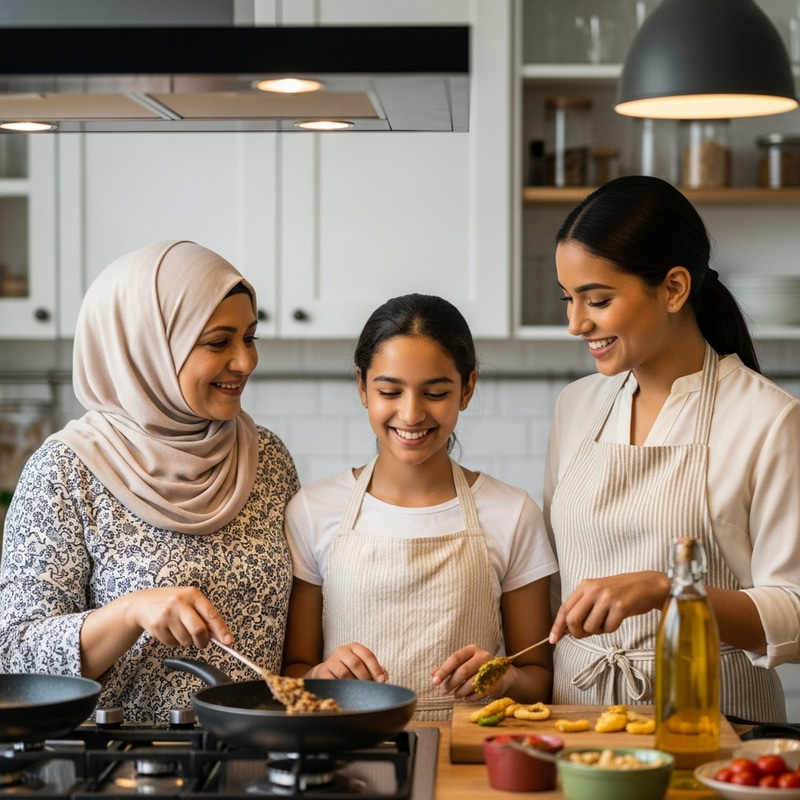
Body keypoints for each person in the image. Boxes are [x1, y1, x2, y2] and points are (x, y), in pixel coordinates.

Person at [0, 240, 299, 723]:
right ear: (147, 346)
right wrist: (129, 612)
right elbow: (14, 659)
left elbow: (292, 641)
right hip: (120, 769)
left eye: (250, 337)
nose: (245, 361)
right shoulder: (65, 470)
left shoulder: (268, 459)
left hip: (258, 758)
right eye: (219, 341)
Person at [545, 175, 800, 723]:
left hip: (716, 724)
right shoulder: (576, 406)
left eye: (598, 299)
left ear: (674, 288)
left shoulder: (769, 418)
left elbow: (794, 610)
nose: (575, 323)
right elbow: (557, 579)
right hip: (577, 723)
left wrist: (670, 591)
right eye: (568, 299)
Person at [282, 293, 557, 720]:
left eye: (435, 392)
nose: (411, 414)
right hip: (355, 751)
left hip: (466, 759)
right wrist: (322, 673)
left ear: (467, 388)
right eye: (390, 390)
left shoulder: (513, 513)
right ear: (361, 387)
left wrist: (504, 678)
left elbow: (537, 676)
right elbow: (296, 670)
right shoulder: (313, 509)